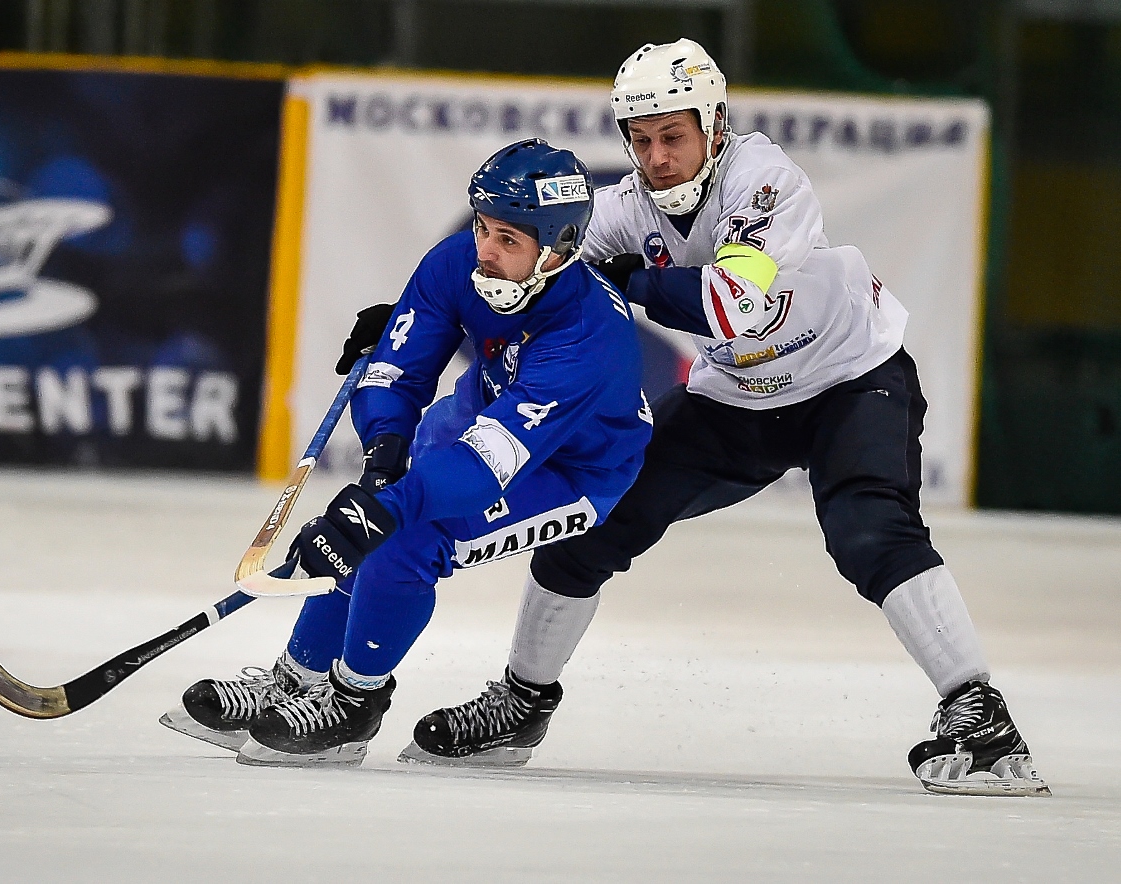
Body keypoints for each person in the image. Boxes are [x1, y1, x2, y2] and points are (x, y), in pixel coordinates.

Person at [350, 39, 1047, 796]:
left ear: (714, 125)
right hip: (735, 397)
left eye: (672, 136)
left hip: (850, 376)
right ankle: (522, 702)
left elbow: (733, 307)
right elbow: (532, 271)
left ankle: (978, 712)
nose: (655, 157)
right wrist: (426, 314)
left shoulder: (764, 180)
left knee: (869, 531)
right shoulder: (623, 209)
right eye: (640, 139)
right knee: (595, 524)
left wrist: (630, 278)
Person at [162, 138, 653, 766]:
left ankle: (352, 706)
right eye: (483, 228)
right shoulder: (458, 263)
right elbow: (397, 370)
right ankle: (300, 681)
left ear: (557, 248)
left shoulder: (588, 340)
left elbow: (484, 469)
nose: (485, 252)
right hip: (478, 415)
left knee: (401, 537)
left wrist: (386, 509)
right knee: (368, 518)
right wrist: (384, 456)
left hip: (576, 470)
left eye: (509, 240)